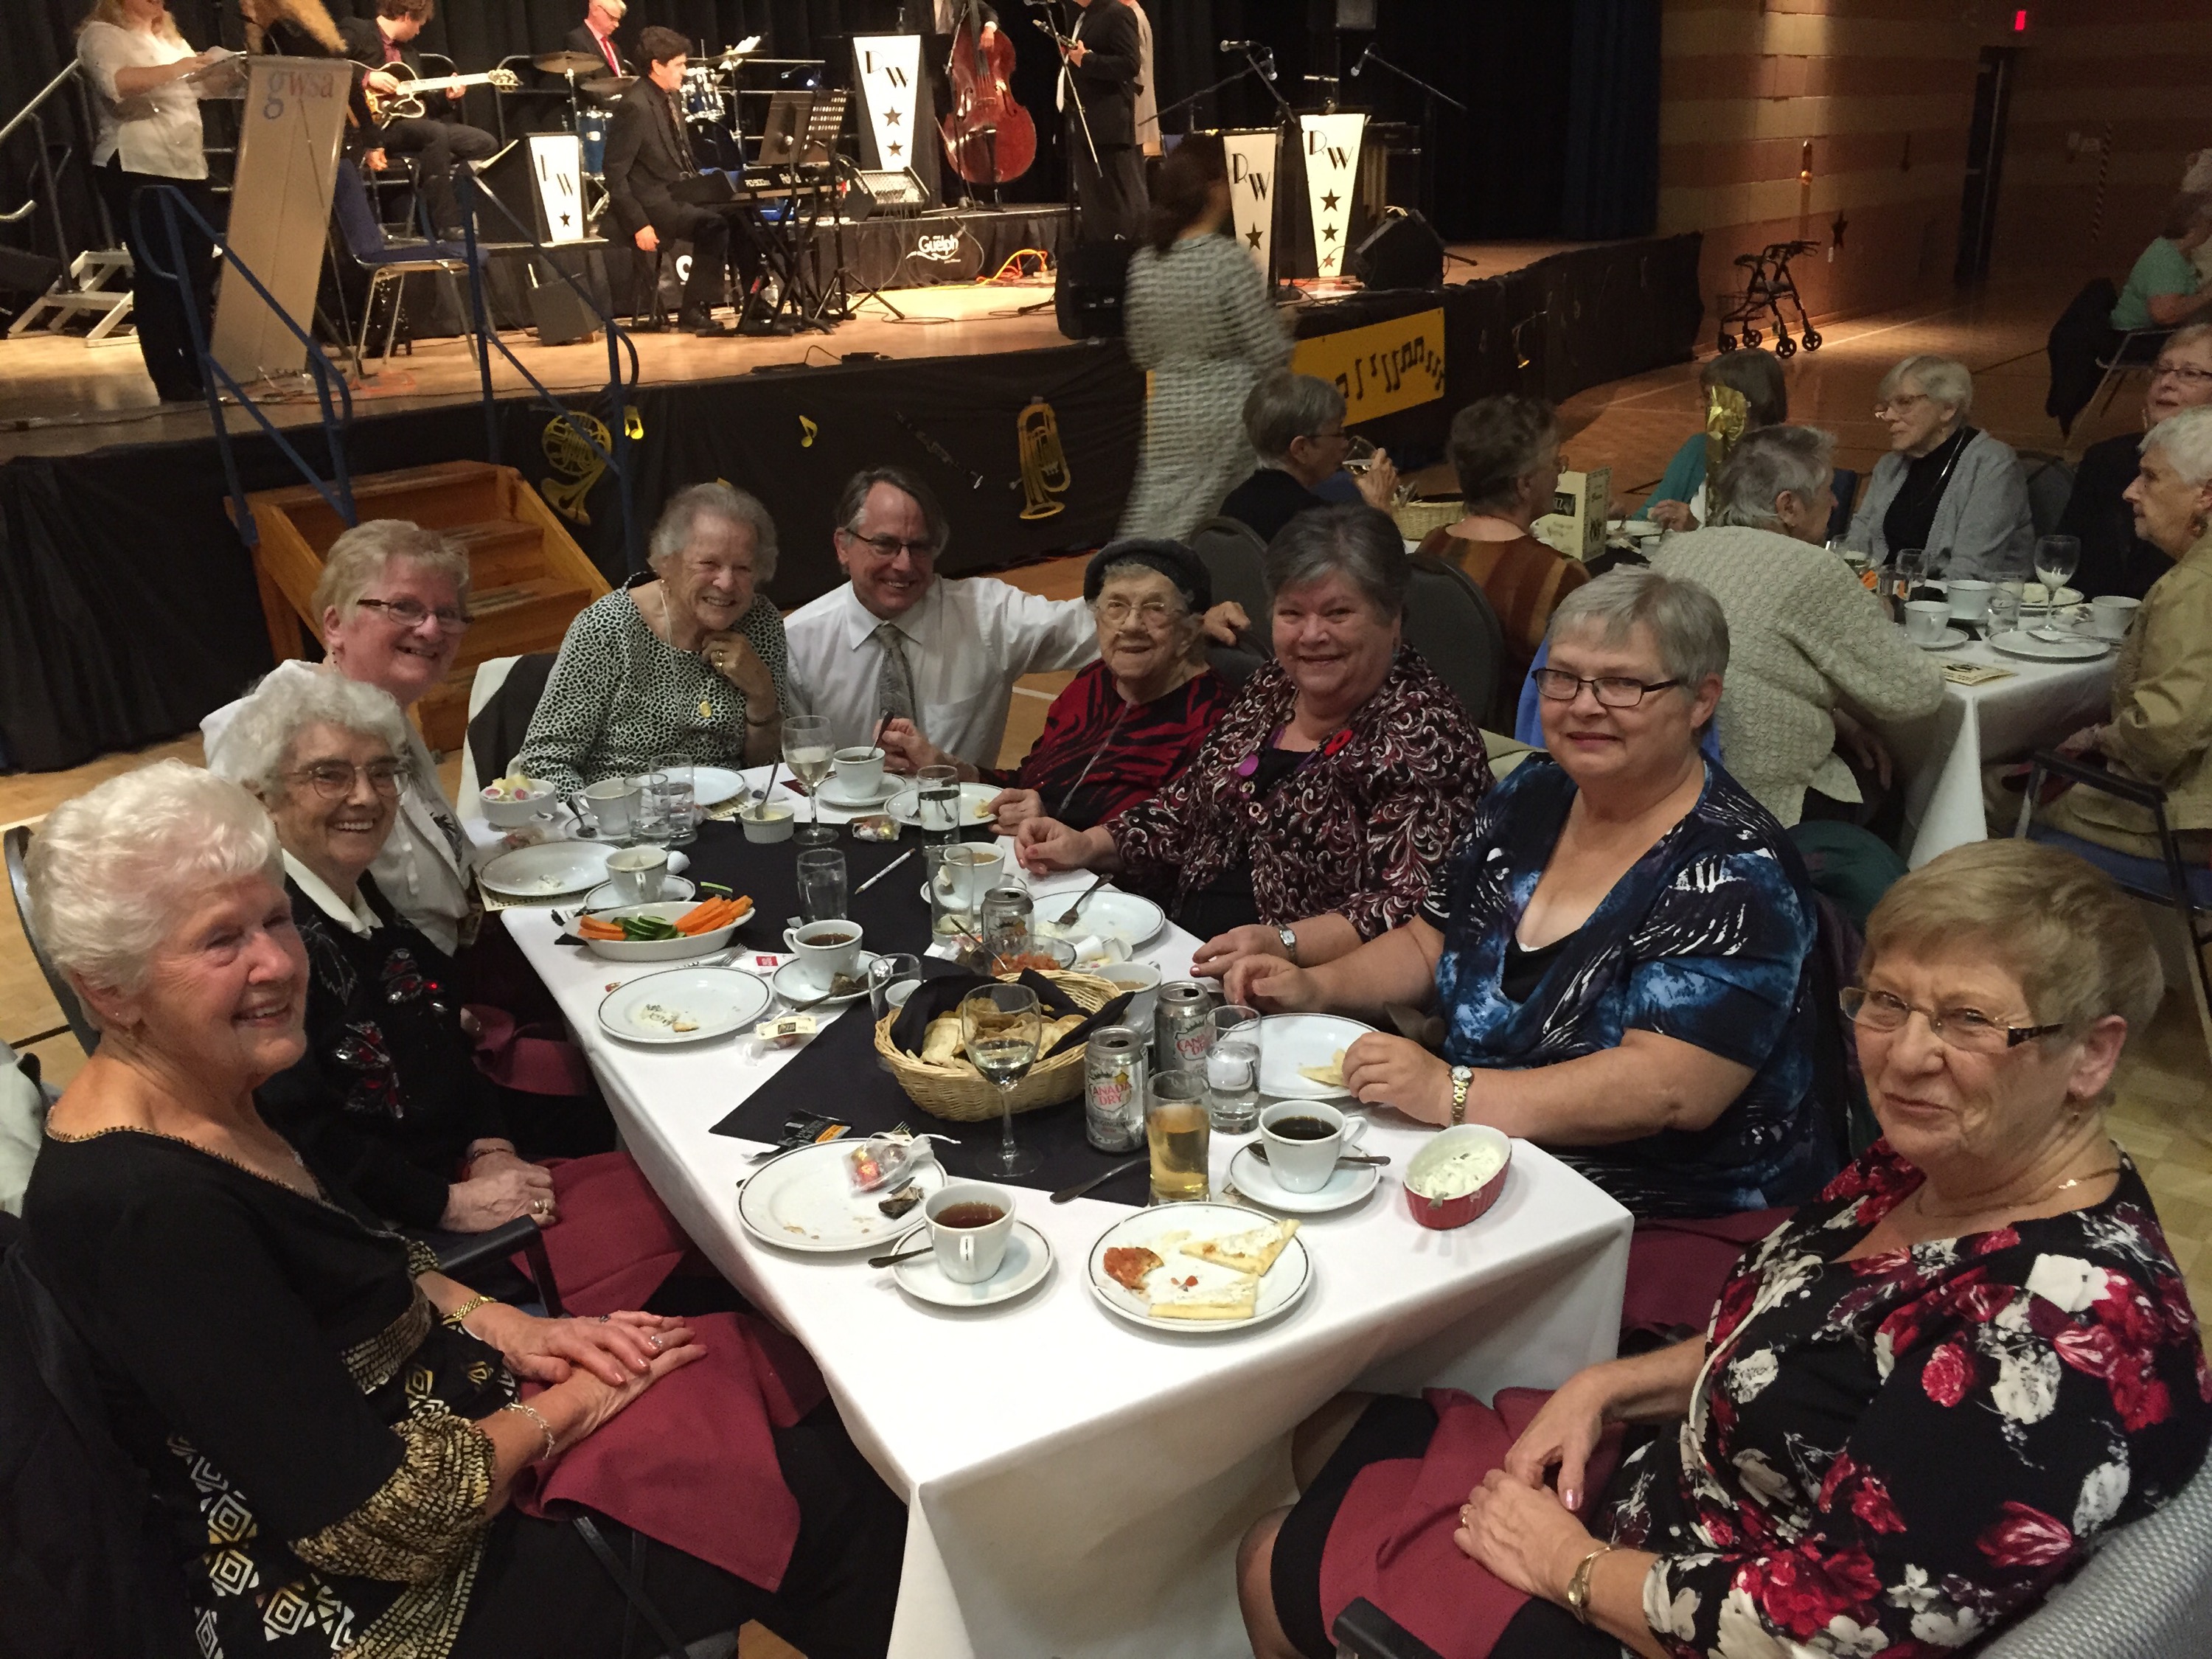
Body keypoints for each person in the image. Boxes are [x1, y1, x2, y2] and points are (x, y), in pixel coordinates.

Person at [1239, 838, 2209, 1659]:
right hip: (1681, 1491)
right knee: (1328, 1430)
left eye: (1968, 1021)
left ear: (2093, 1054)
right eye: (1886, 1002)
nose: (1908, 1054)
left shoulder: (2057, 1331)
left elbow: (1827, 1631)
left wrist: (1569, 1564)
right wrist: (1608, 1386)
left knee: (1274, 1555)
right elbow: (1798, 1339)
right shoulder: (1933, 1166)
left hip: (1702, 1615)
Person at [20, 761, 906, 1659]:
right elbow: (374, 1523)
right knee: (829, 1490)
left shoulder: (208, 1090)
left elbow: (363, 1258)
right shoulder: (146, 1213)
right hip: (376, 1603)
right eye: (222, 942)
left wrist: (517, 1330)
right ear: (107, 988)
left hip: (447, 1430)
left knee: (771, 1374)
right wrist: (580, 1401)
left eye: (277, 919)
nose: (278, 964)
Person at [1228, 569, 1831, 1220]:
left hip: (1657, 1204)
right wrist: (1315, 986)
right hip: (1475, 1151)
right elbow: (1429, 945)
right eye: (1563, 678)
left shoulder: (1733, 869)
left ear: (1701, 701)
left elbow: (1670, 1089)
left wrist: (1451, 1093)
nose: (1584, 705)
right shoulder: (1532, 793)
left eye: (1623, 684)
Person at [1016, 504, 1490, 975]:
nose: (1312, 635)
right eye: (1291, 613)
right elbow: (1187, 803)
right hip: (1187, 952)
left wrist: (1286, 944)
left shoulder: (1426, 734)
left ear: (1393, 619)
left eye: (1338, 613)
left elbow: (1409, 908)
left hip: (1305, 987)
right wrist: (1087, 844)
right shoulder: (1274, 686)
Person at [210, 671, 557, 1234]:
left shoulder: (355, 892)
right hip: (398, 1236)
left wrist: (491, 1148)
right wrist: (449, 1204)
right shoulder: (270, 943)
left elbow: (439, 1027)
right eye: (329, 775)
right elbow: (297, 1136)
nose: (366, 796)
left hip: (460, 1170)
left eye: (382, 772)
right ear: (262, 797)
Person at [785, 466, 1242, 769]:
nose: (904, 565)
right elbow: (795, 771)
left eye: (919, 547)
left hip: (967, 829)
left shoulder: (986, 614)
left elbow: (1100, 625)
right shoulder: (799, 641)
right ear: (843, 546)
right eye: (885, 545)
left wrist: (1192, 620)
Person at [203, 520, 477, 956]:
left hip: (448, 958)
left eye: (446, 613)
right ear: (334, 624)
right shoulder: (269, 728)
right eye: (404, 607)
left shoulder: (382, 707)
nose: (431, 630)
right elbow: (252, 907)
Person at [1652, 425, 1943, 827]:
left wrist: (1841, 720)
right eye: (1827, 491)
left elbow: (1753, 668)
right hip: (1760, 801)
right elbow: (1915, 693)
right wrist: (1881, 618)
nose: (1836, 502)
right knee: (1891, 786)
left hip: (1670, 777)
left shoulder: (1675, 551)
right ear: (1788, 506)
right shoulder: (1811, 569)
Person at [879, 539, 1231, 832]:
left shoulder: (1215, 719)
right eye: (1116, 606)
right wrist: (948, 768)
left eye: (1155, 608)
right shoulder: (1092, 685)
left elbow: (1177, 845)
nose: (1131, 625)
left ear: (1188, 633)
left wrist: (1055, 828)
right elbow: (1028, 785)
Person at [515, 482, 787, 793]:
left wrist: (762, 694)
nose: (726, 583)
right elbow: (544, 760)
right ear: (666, 562)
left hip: (733, 811)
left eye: (742, 568)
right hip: (626, 815)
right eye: (709, 564)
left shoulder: (760, 623)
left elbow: (767, 765)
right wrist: (603, 816)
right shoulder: (608, 628)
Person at [2037, 403, 2212, 862]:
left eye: (2150, 477)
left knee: (1983, 789)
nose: (2131, 491)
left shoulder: (2195, 586)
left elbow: (2163, 735)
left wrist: (2100, 738)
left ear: (2205, 495)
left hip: (2181, 822)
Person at [1117, 142, 1293, 540]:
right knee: (1224, 527)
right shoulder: (1228, 259)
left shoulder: (1144, 264)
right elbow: (1269, 353)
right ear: (1213, 189)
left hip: (1167, 413)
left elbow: (1141, 352)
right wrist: (1282, 323)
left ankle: (1134, 572)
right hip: (1228, 412)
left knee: (1160, 517)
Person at [75, 0, 238, 406]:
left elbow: (200, 87)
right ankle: (171, 378)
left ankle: (203, 370)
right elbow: (118, 82)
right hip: (137, 165)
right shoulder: (101, 35)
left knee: (198, 272)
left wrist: (229, 71)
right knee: (160, 273)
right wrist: (182, 67)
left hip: (187, 165)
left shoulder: (169, 38)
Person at [1416, 395, 1592, 689]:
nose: (1560, 474)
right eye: (1555, 463)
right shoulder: (1559, 577)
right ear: (1525, 485)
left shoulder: (1431, 547)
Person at [602, 25, 762, 335]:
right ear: (657, 66)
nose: (685, 72)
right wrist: (638, 224)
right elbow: (615, 172)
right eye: (678, 65)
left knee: (742, 211)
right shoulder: (634, 106)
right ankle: (692, 310)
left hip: (679, 190)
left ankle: (755, 301)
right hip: (652, 201)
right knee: (713, 225)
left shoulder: (671, 98)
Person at [1843, 354, 2034, 580]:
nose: (1889, 416)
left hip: (1966, 597)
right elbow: (1857, 544)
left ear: (1948, 409)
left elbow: (1970, 572)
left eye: (1904, 403)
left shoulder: (1993, 465)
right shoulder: (1890, 465)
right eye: (1887, 406)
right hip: (1888, 593)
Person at [2062, 322, 2212, 599]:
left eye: (2190, 374)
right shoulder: (2105, 459)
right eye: (2162, 370)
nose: (2166, 383)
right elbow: (2065, 555)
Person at [338, 0, 499, 240]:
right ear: (406, 16)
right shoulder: (357, 30)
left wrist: (448, 98)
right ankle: (446, 223)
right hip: (370, 127)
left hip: (410, 127)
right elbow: (328, 60)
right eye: (419, 24)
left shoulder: (410, 54)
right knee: (434, 133)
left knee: (485, 144)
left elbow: (422, 107)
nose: (419, 31)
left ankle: (445, 207)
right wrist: (368, 77)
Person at [1217, 371, 1401, 544]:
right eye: (1338, 433)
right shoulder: (1315, 522)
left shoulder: (1233, 503)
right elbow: (1383, 566)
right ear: (1301, 449)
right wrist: (1380, 507)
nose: (1345, 444)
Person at [1634, 347, 1789, 533]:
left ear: (1748, 403)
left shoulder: (1786, 464)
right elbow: (1648, 515)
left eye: (1711, 397)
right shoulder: (1698, 448)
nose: (1701, 404)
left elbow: (1761, 544)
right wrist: (1616, 522)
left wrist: (1695, 529)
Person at [1055, 0, 1147, 243]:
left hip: (1108, 127)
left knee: (1114, 201)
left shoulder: (1118, 13)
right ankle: (1101, 256)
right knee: (1094, 204)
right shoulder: (1086, 16)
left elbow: (1130, 64)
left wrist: (1086, 60)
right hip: (1085, 123)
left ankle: (1123, 254)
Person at [2110, 192, 2212, 333]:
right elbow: (2164, 315)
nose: (2210, 231)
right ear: (2192, 231)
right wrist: (2206, 296)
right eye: (2209, 224)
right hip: (2136, 337)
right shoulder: (2165, 260)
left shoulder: (2173, 248)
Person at [566, 0, 626, 76]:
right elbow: (583, 79)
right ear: (595, 10)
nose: (617, 25)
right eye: (612, 18)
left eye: (618, 20)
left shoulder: (613, 45)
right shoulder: (577, 40)